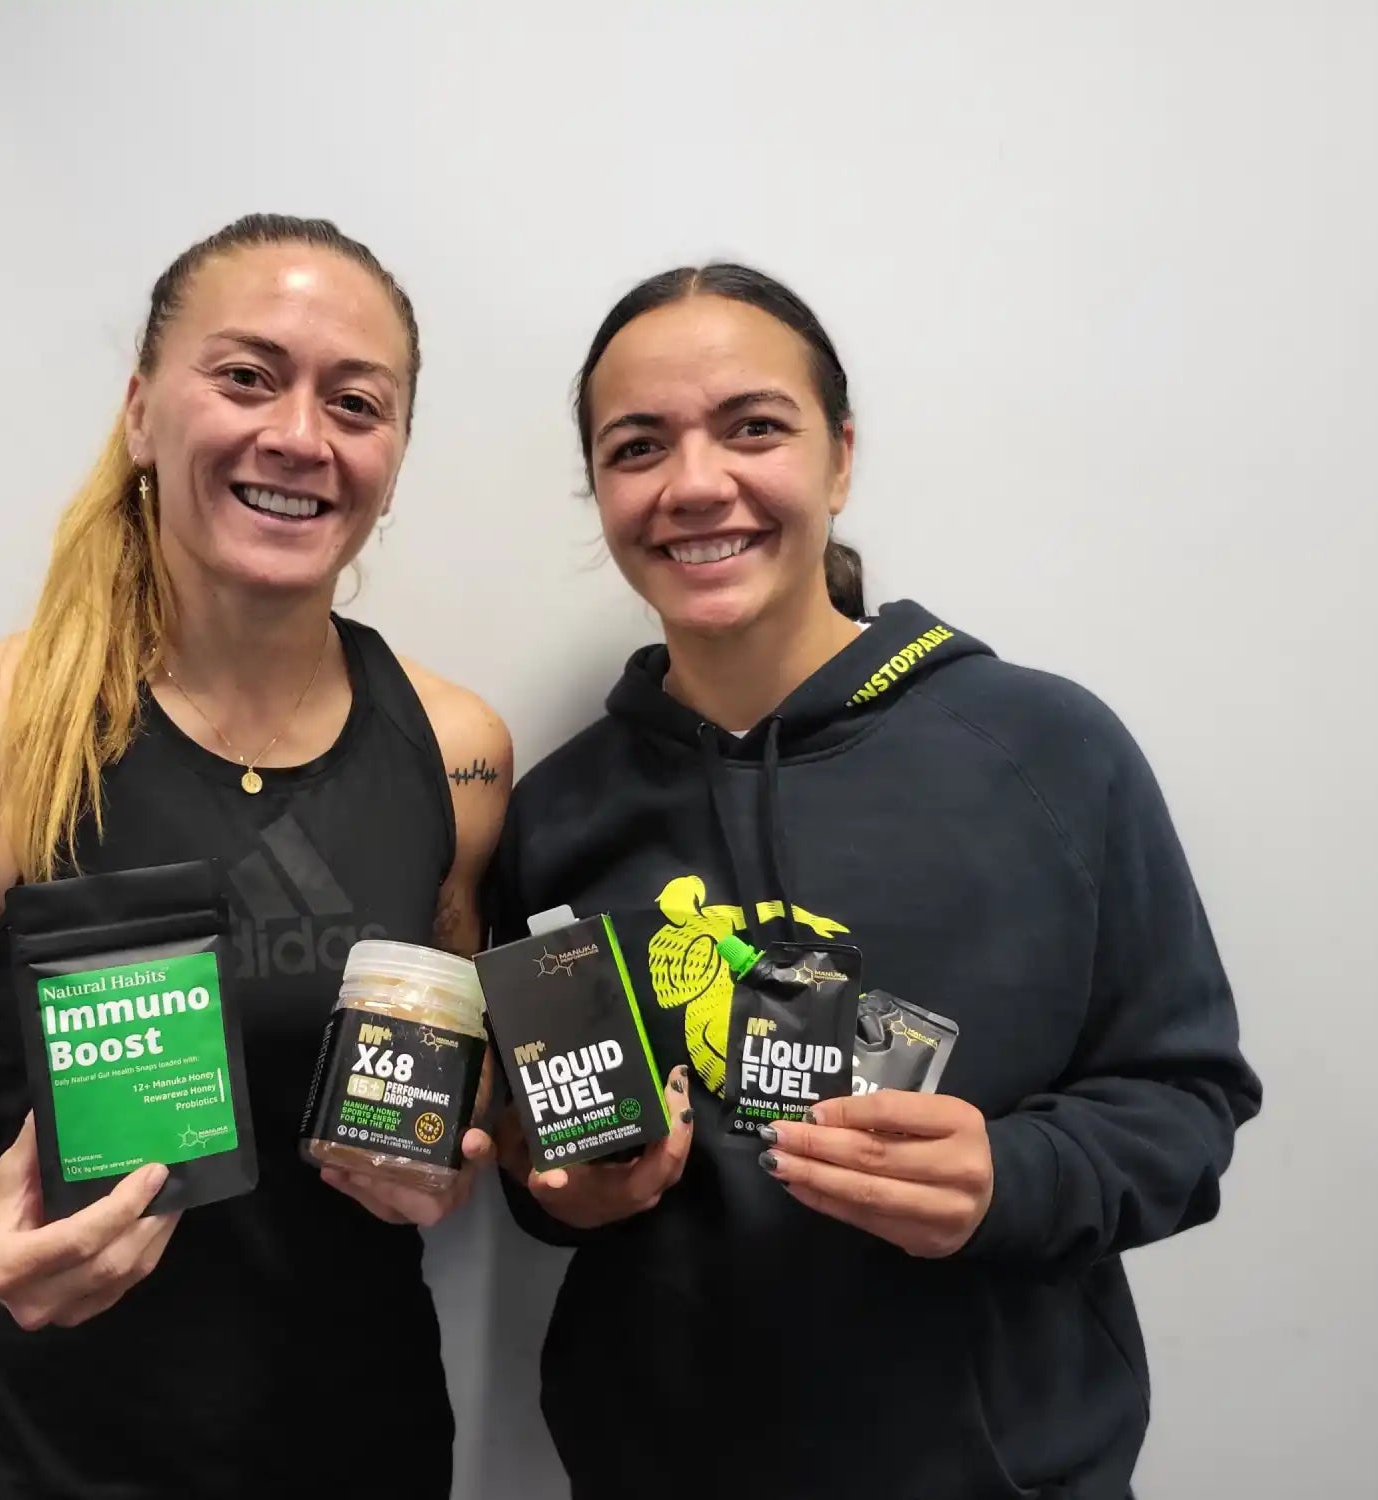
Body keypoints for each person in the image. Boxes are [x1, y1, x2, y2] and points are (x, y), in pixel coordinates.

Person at [489, 262, 1261, 1498]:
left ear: (838, 459)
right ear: (598, 491)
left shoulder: (1048, 751)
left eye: (753, 428)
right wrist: (572, 1194)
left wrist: (1009, 1180)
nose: (696, 484)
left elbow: (1185, 1100)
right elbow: (541, 1162)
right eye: (638, 446)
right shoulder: (558, 814)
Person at [0, 214, 511, 1498]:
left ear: (393, 457)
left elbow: (431, 1072)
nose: (299, 435)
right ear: (140, 411)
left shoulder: (458, 753)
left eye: (356, 401)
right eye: (246, 376)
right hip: (64, 1462)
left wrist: (449, 1156)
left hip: (371, 1451)